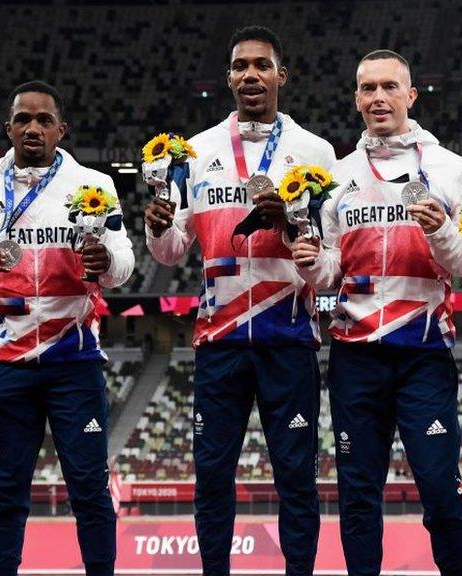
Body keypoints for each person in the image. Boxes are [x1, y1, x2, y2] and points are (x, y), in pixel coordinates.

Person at [143, 26, 336, 576]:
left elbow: (326, 255)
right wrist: (157, 227)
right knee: (212, 473)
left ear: (281, 75)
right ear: (228, 78)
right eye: (240, 66)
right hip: (219, 340)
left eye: (261, 65)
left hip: (289, 338)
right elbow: (173, 250)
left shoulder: (315, 152)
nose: (250, 74)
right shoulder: (196, 151)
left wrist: (293, 233)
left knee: (296, 476)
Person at [290, 49, 462, 576]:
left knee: (440, 490)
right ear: (355, 99)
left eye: (390, 87)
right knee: (358, 495)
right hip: (355, 357)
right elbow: (329, 273)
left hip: (424, 354)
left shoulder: (451, 170)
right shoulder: (335, 177)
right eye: (368, 88)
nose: (378, 97)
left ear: (411, 96)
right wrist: (309, 264)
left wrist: (440, 229)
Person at [0, 80, 134, 576]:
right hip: (6, 363)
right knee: (4, 491)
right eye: (23, 119)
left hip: (74, 362)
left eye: (43, 120)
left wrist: (105, 259)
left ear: (60, 129)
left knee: (89, 488)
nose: (32, 128)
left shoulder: (94, 187)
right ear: (7, 127)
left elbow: (124, 265)